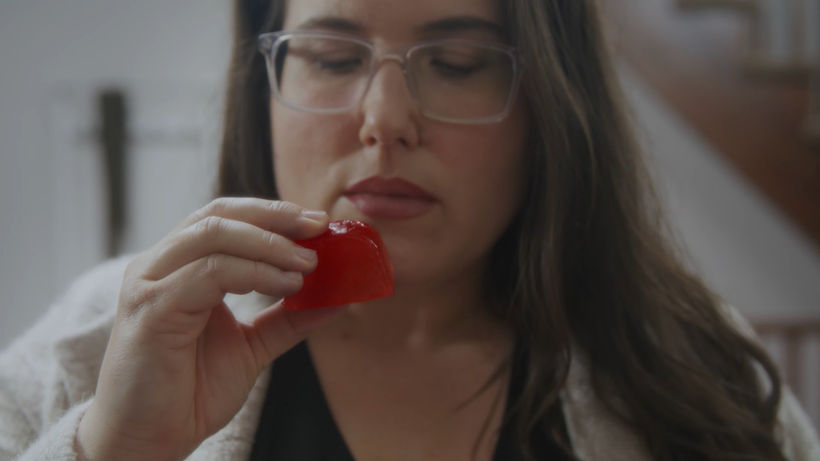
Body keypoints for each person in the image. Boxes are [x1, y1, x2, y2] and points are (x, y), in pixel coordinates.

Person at [1, 0, 818, 459]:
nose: (385, 121)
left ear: (553, 111)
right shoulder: (98, 345)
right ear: (265, 87)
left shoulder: (701, 381)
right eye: (331, 56)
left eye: (457, 64)